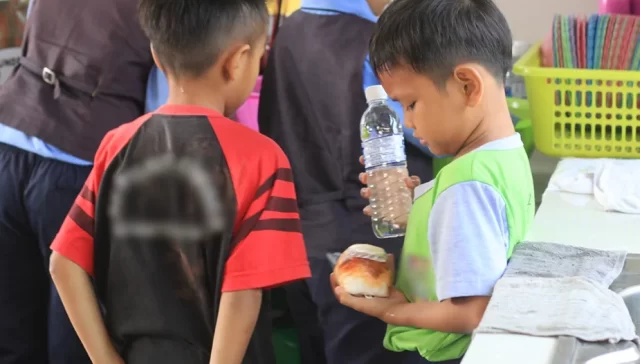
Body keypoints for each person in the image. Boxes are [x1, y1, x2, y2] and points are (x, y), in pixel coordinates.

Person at [47, 0, 311, 363]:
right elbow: (244, 290)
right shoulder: (262, 158)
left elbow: (63, 263)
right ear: (237, 61)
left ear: (156, 54)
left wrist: (105, 359)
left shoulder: (117, 144)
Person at [332, 0, 535, 363]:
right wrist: (421, 213)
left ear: (467, 85)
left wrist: (390, 311)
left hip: (444, 353)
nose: (408, 123)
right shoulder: (506, 154)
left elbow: (471, 312)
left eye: (410, 104)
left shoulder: (466, 183)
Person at [257, 1, 433, 364]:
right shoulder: (377, 42)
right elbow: (426, 127)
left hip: (302, 233)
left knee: (316, 349)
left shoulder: (289, 31)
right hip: (369, 238)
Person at [0, 0, 155, 362]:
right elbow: (164, 106)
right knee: (77, 335)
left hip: (9, 139)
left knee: (11, 329)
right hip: (79, 168)